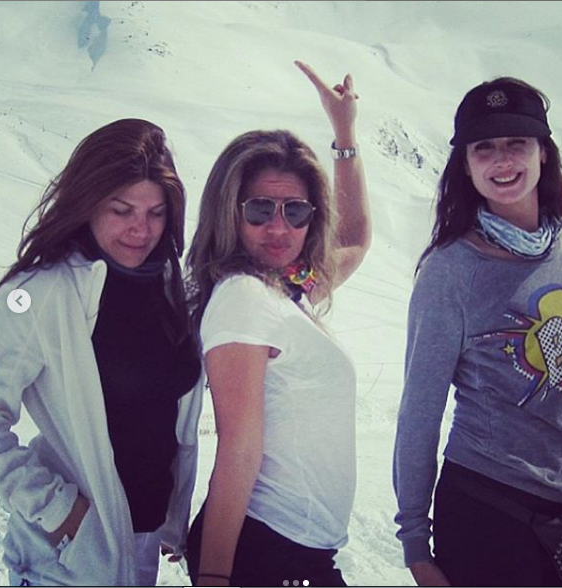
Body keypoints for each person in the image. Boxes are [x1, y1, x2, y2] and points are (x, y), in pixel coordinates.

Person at [393, 77, 562, 587]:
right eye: (484, 148)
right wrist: (415, 542)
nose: (502, 161)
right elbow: (419, 411)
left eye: (516, 143)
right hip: (488, 511)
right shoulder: (449, 270)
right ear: (465, 165)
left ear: (543, 152)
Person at [183, 61, 371, 587]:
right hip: (267, 553)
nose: (279, 228)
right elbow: (238, 449)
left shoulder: (285, 290)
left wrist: (344, 135)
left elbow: (355, 239)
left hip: (298, 554)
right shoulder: (244, 297)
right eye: (260, 209)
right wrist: (215, 577)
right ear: (230, 210)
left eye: (296, 211)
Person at [0, 118, 202, 586]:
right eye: (121, 209)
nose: (140, 229)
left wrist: (172, 516)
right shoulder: (40, 290)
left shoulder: (170, 289)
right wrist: (58, 511)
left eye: (156, 213)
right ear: (87, 201)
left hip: (143, 541)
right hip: (64, 558)